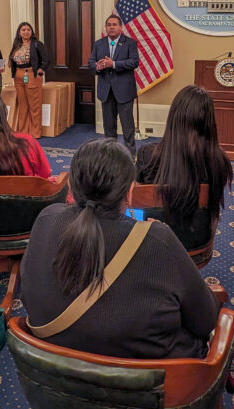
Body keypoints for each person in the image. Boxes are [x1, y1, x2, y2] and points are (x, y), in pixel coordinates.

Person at [21, 139, 219, 358]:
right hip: (150, 385)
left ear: (71, 188)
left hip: (54, 373)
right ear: (130, 192)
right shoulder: (159, 241)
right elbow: (206, 319)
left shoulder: (47, 219)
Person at [135, 85, 232, 233]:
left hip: (154, 239)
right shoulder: (219, 160)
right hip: (197, 241)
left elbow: (135, 199)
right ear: (209, 122)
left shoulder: (147, 154)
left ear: (173, 116)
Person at [88, 14, 139, 157]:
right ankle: (111, 157)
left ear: (121, 27)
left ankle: (130, 157)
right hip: (106, 91)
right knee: (109, 128)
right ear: (106, 27)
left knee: (128, 128)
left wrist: (114, 64)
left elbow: (134, 62)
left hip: (124, 92)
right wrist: (98, 66)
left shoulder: (130, 43)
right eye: (109, 25)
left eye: (114, 24)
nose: (111, 27)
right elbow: (91, 62)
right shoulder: (99, 43)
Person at [9, 22, 50, 139]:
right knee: (23, 105)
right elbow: (12, 60)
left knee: (34, 105)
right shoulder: (16, 45)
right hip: (18, 76)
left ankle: (35, 133)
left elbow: (46, 60)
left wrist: (41, 70)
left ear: (32, 32)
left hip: (32, 74)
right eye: (23, 30)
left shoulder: (37, 44)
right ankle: (23, 132)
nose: (26, 32)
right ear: (19, 32)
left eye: (28, 29)